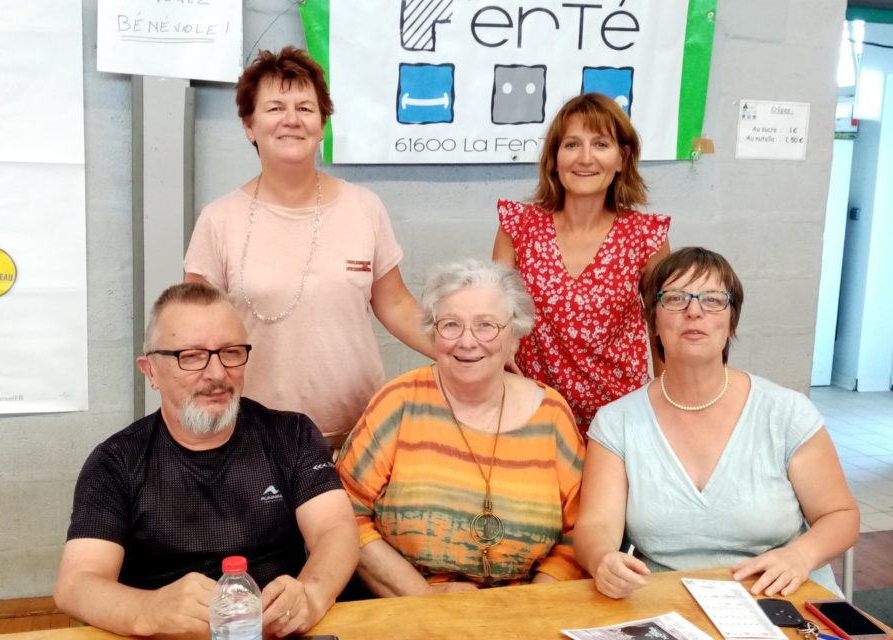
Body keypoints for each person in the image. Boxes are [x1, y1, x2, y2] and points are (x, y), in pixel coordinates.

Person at [53, 283, 358, 638]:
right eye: (192, 356)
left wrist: (311, 593)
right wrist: (148, 610)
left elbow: (335, 530)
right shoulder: (116, 463)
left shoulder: (291, 436)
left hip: (276, 631)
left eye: (230, 352)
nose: (216, 374)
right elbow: (76, 584)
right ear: (150, 370)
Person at [575, 247, 859, 599]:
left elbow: (841, 514)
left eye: (712, 300)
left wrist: (800, 556)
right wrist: (602, 559)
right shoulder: (616, 422)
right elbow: (595, 526)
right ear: (654, 323)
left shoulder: (786, 412)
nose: (694, 311)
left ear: (731, 322)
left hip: (783, 597)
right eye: (675, 299)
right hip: (668, 607)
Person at [185, 47, 430, 449]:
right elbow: (195, 332)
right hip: (256, 440)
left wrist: (464, 350)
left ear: (322, 124)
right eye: (275, 108)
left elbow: (397, 305)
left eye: (305, 108)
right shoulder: (219, 220)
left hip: (359, 438)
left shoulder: (364, 207)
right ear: (249, 125)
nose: (292, 120)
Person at [336, 260, 586, 595]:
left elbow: (578, 532)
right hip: (408, 606)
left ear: (514, 337)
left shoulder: (551, 414)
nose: (467, 342)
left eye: (486, 326)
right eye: (451, 325)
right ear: (433, 333)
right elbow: (343, 513)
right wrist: (422, 597)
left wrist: (532, 605)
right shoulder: (399, 402)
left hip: (523, 610)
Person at [493, 93, 670, 432]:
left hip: (620, 420)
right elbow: (496, 316)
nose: (586, 158)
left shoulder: (646, 237)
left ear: (622, 158)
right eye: (572, 145)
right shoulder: (518, 227)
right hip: (533, 415)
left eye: (601, 144)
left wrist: (666, 407)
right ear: (555, 159)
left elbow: (661, 329)